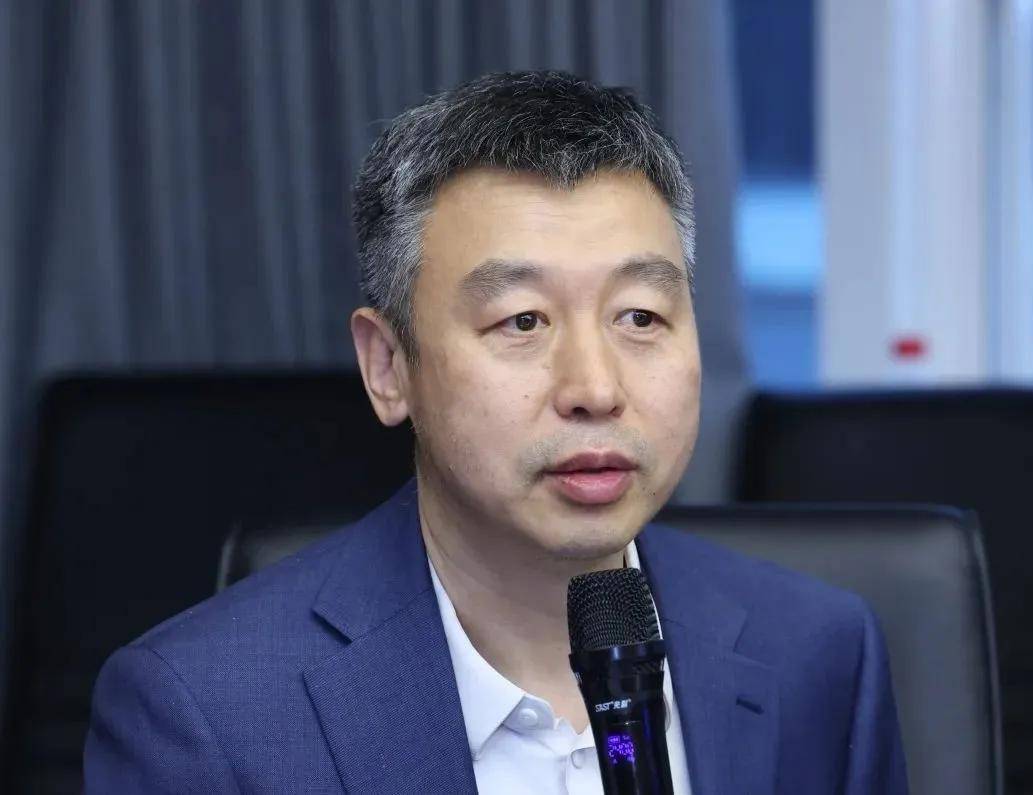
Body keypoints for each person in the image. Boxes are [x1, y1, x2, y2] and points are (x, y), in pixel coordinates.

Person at [84, 70, 907, 794]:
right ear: (388, 366)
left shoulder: (816, 652)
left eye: (639, 316)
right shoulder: (206, 713)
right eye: (521, 321)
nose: (594, 389)